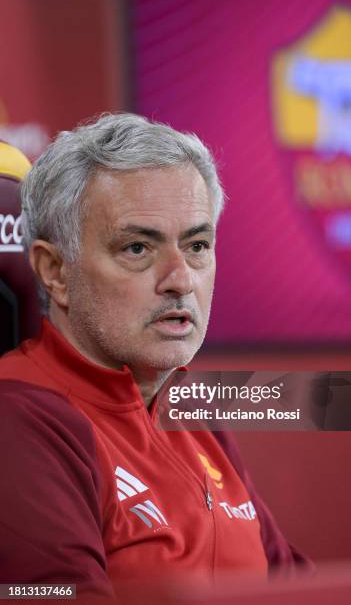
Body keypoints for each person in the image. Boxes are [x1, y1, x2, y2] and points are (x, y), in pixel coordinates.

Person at [0, 114, 307, 599]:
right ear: (55, 271)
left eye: (198, 245)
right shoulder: (18, 419)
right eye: (138, 247)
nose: (181, 279)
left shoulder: (187, 407)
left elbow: (301, 590)